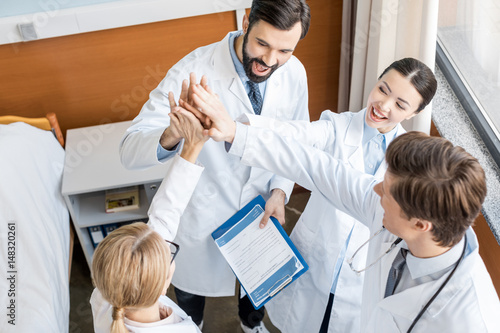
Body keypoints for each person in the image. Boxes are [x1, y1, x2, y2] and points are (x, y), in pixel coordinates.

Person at [178, 92, 500, 331]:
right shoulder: (399, 217)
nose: (373, 191)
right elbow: (316, 167)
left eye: (385, 191)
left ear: (420, 223)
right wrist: (235, 131)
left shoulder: (473, 318)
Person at [119, 0, 311, 331]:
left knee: (256, 287)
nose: (269, 60)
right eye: (262, 43)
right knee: (190, 294)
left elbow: (296, 139)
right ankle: (191, 324)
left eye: (284, 51)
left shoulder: (294, 73)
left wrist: (280, 190)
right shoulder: (192, 71)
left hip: (262, 210)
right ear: (246, 20)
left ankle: (251, 324)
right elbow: (128, 149)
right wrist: (172, 133)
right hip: (200, 218)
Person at [90, 109, 207, 333]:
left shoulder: (105, 296)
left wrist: (192, 147)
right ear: (163, 284)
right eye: (167, 251)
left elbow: (164, 216)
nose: (165, 242)